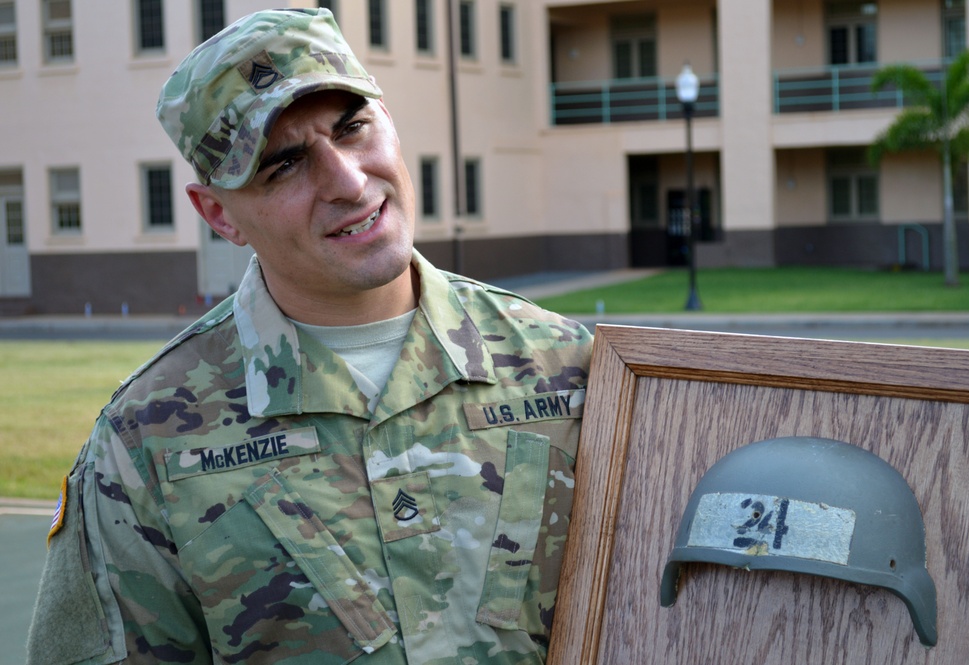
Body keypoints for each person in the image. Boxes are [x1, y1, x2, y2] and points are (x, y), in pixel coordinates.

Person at [26, 8, 592, 665]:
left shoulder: (568, 367)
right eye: (284, 165)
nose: (349, 182)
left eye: (353, 127)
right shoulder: (145, 445)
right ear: (218, 213)